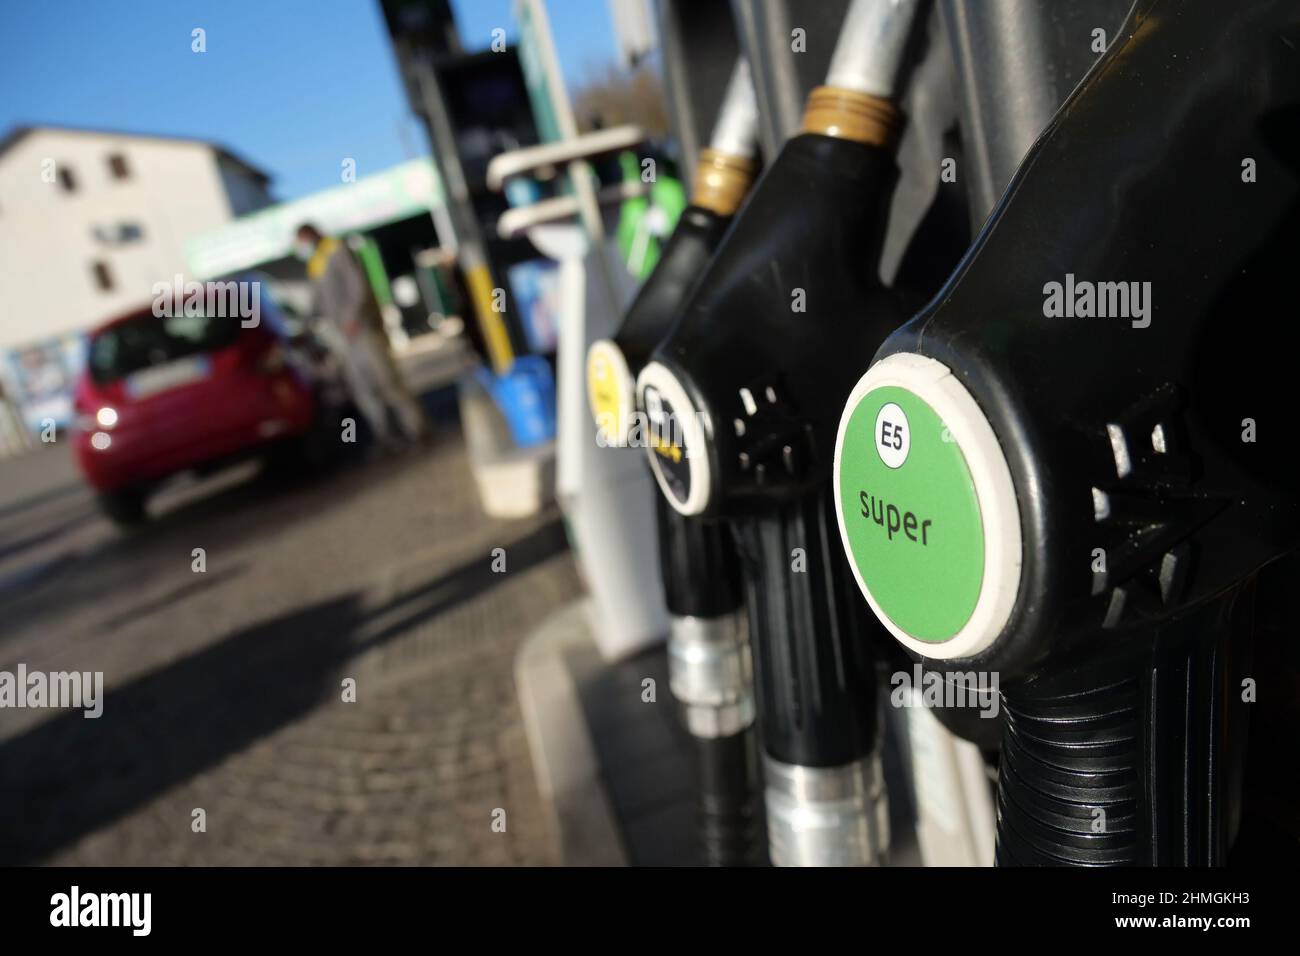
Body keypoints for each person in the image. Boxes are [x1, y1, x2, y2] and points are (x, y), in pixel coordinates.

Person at [294, 223, 426, 450]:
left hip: (361, 329)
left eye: (302, 239)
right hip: (342, 338)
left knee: (388, 381)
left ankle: (418, 430)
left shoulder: (338, 250)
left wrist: (352, 317)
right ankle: (386, 437)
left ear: (312, 234)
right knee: (364, 390)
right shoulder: (315, 263)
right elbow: (316, 300)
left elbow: (358, 285)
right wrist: (303, 327)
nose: (302, 245)